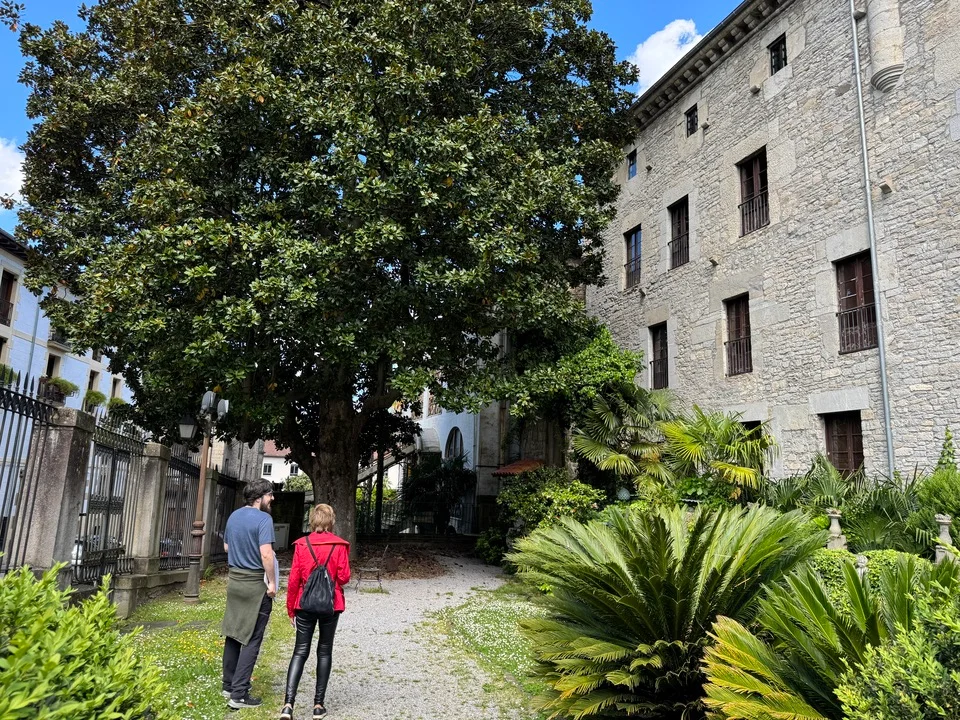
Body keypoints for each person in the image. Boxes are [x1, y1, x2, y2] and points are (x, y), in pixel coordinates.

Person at [281, 503, 351, 720]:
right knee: (325, 651)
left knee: (300, 651)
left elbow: (294, 579)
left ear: (312, 521)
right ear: (331, 521)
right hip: (331, 604)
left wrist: (291, 608)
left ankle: (288, 705)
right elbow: (344, 577)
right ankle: (318, 706)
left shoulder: (302, 545)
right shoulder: (339, 545)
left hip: (304, 603)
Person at [221, 478, 277, 709]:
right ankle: (239, 695)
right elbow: (266, 554)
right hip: (255, 584)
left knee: (233, 633)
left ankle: (228, 685)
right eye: (270, 494)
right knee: (253, 639)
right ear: (260, 497)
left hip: (235, 581)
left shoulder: (234, 516)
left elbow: (226, 547)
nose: (272, 498)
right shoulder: (264, 519)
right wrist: (272, 583)